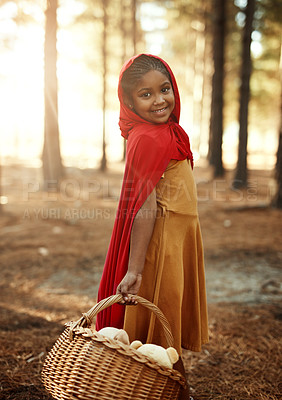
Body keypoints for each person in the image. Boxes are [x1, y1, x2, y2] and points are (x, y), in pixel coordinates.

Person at [96, 54, 209, 399]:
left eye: (165, 89)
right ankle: (174, 392)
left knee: (168, 319)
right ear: (129, 101)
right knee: (160, 325)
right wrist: (134, 269)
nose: (160, 100)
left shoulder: (170, 131)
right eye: (145, 95)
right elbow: (143, 205)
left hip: (179, 238)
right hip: (161, 243)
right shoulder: (146, 137)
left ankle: (174, 390)